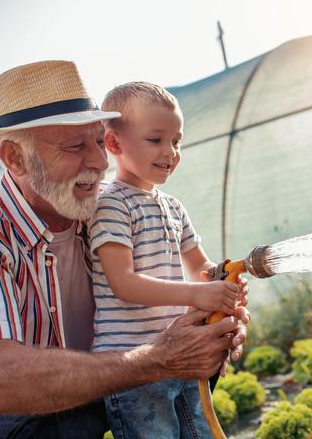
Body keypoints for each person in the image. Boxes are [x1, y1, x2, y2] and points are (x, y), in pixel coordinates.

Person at [0, 60, 249, 439]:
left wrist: (210, 326)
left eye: (97, 140)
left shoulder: (101, 210)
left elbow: (169, 297)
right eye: (76, 146)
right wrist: (160, 357)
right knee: (63, 426)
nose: (100, 161)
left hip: (98, 389)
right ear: (15, 158)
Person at [87, 82, 242, 438]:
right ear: (114, 144)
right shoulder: (111, 204)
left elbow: (201, 269)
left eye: (176, 141)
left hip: (182, 356)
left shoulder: (173, 206)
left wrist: (222, 282)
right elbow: (122, 283)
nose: (170, 151)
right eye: (156, 140)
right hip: (133, 369)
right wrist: (196, 295)